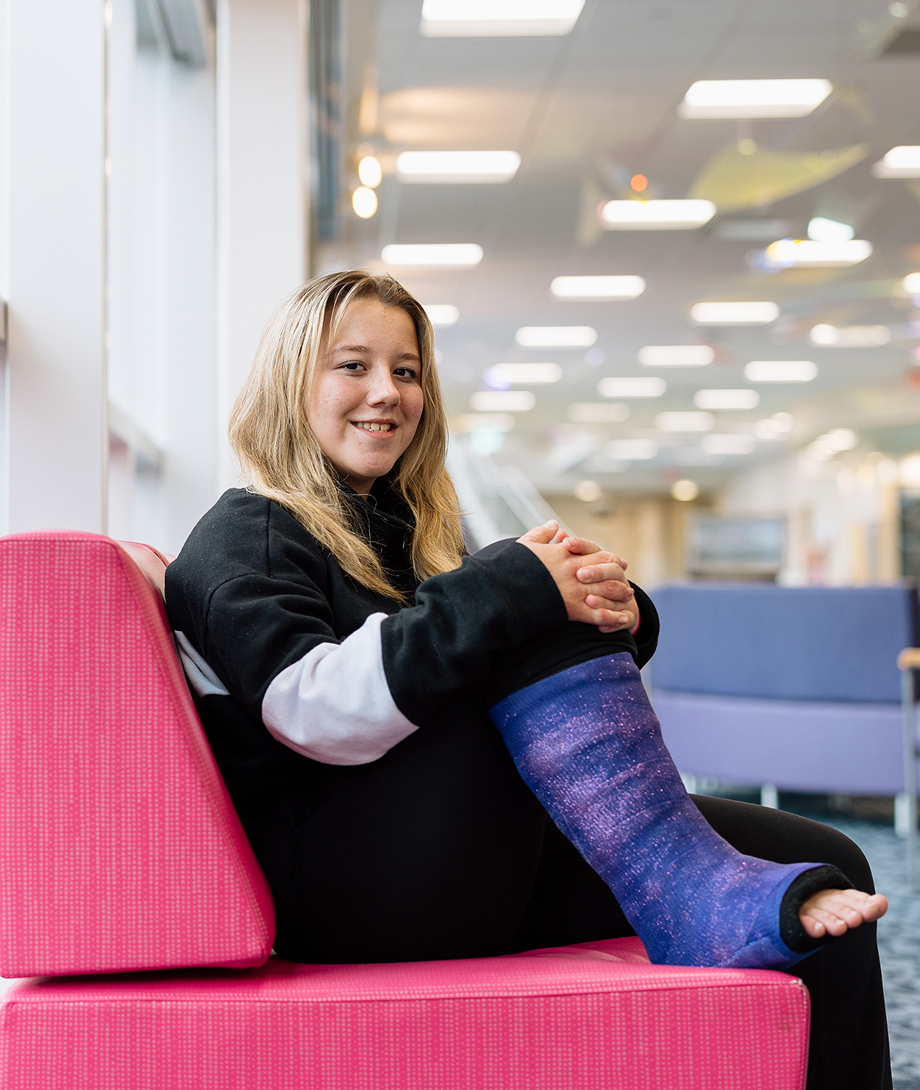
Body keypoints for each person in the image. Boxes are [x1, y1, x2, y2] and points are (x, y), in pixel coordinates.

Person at [165, 269, 891, 1089]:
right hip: (345, 890)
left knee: (825, 858)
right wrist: (512, 590)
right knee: (512, 600)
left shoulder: (400, 535)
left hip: (458, 855)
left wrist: (612, 610)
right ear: (290, 382)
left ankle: (694, 883)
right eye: (353, 366)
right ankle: (688, 882)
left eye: (406, 372)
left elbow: (477, 656)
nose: (387, 393)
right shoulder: (249, 532)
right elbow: (311, 709)